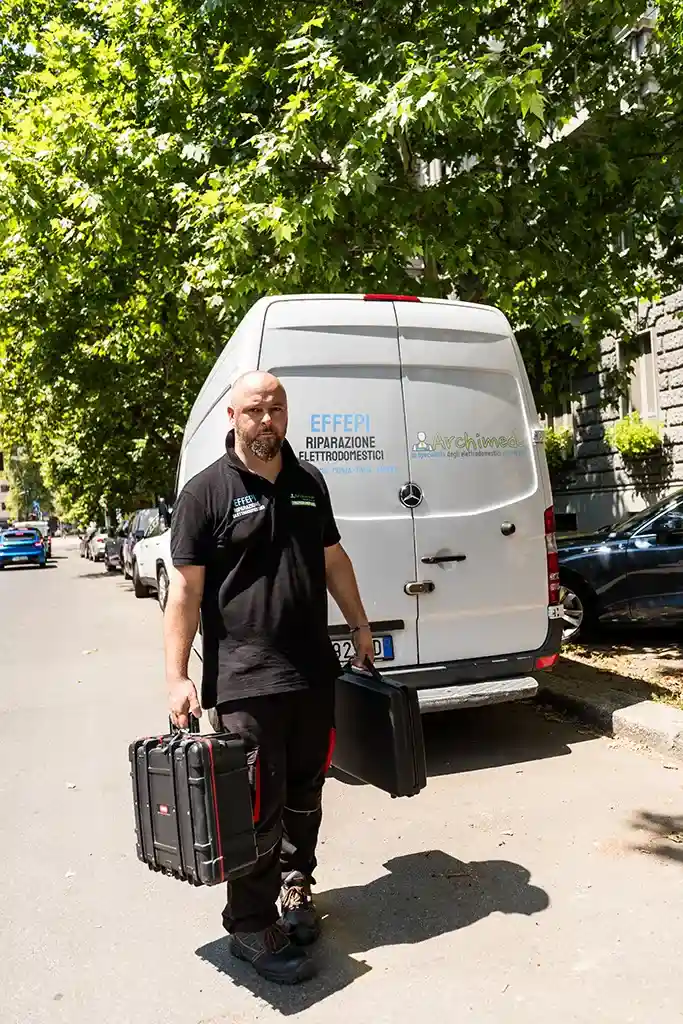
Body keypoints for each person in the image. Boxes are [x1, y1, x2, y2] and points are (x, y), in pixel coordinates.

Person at [164, 371, 374, 985]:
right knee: (255, 804)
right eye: (255, 409)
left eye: (276, 408)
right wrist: (177, 675)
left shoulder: (310, 482)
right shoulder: (206, 494)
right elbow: (185, 588)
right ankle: (250, 926)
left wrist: (359, 625)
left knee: (306, 793)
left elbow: (333, 558)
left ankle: (293, 889)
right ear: (232, 417)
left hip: (313, 671)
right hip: (244, 678)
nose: (267, 420)